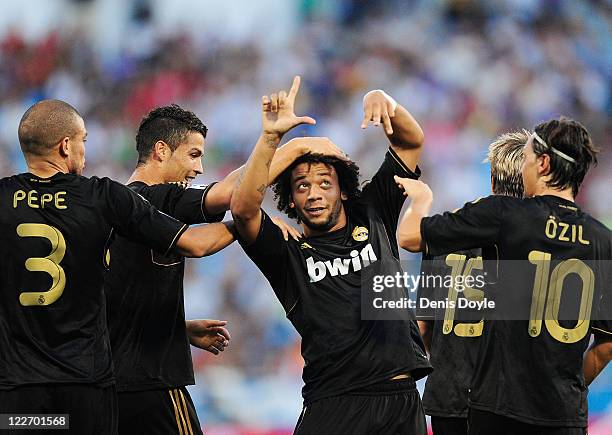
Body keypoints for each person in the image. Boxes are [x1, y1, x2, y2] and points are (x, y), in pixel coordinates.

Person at [0, 99, 234, 434]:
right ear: (66, 146)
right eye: (83, 140)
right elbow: (196, 244)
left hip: (16, 392)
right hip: (86, 389)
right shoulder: (103, 197)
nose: (84, 149)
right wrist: (249, 223)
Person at [105, 104, 336, 435]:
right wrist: (293, 146)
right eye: (193, 154)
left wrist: (177, 328)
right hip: (151, 382)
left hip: (110, 387)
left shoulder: (115, 209)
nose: (199, 168)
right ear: (161, 151)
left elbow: (112, 305)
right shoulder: (154, 199)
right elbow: (232, 194)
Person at [231, 76, 432, 434]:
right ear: (290, 199)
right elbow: (243, 208)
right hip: (334, 400)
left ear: (342, 191)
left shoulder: (372, 213)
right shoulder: (285, 251)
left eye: (325, 182)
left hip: (401, 397)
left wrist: (382, 97)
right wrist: (279, 143)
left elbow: (411, 140)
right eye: (302, 185)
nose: (314, 193)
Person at [398, 117, 612, 435]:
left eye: (526, 158)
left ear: (542, 163)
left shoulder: (506, 216)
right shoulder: (603, 239)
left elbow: (410, 240)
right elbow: (607, 343)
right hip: (563, 413)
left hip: (494, 405)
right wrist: (570, 386)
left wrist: (421, 201)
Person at [415, 130, 527, 435]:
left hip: (449, 393)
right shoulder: (541, 240)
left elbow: (424, 327)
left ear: (492, 180)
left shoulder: (446, 230)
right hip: (512, 399)